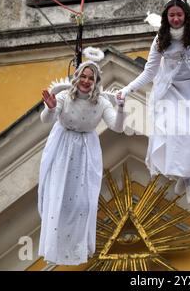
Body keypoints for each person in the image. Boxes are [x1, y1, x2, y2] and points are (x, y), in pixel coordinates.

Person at [117, 0, 190, 205]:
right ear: (166, 18)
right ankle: (187, 178)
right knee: (176, 132)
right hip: (172, 92)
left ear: (185, 16)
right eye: (171, 15)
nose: (175, 19)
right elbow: (149, 72)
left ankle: (187, 175)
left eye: (179, 15)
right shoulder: (160, 40)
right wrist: (127, 89)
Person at [38, 52, 125, 265]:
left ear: (96, 82)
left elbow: (117, 126)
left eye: (91, 78)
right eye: (84, 76)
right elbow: (46, 119)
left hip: (87, 150)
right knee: (58, 196)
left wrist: (121, 107)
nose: (86, 81)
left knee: (83, 203)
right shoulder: (63, 97)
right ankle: (54, 246)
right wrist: (50, 108)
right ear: (77, 77)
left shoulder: (102, 103)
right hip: (62, 147)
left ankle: (76, 246)